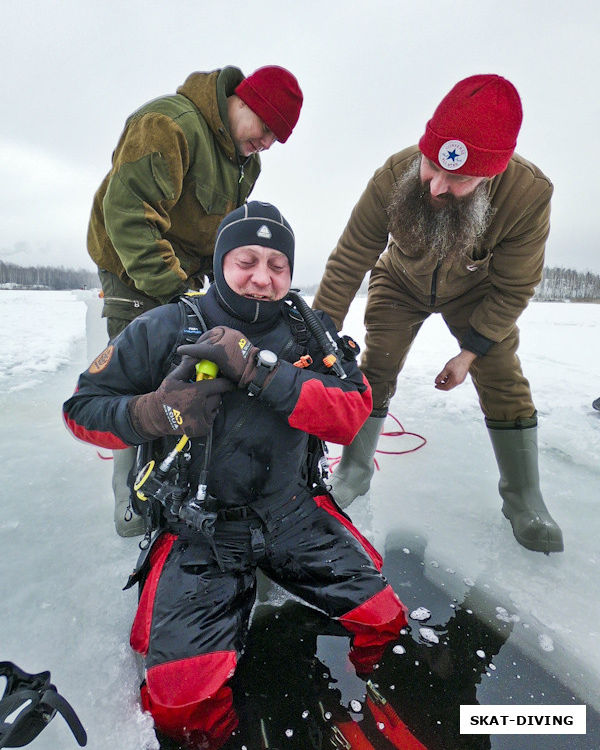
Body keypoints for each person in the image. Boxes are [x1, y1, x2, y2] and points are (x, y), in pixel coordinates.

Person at [63, 202, 408, 749]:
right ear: (222, 261)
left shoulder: (309, 331)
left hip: (294, 513)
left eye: (278, 265)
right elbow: (81, 410)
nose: (262, 277)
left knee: (386, 621)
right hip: (199, 530)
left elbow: (350, 414)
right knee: (179, 703)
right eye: (246, 259)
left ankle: (373, 710)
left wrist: (260, 371)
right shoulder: (165, 326)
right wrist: (156, 412)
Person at [313, 74, 563, 555]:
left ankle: (523, 498)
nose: (438, 186)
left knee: (502, 374)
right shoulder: (396, 173)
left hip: (476, 291)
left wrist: (471, 352)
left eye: (459, 180)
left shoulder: (528, 195)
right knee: (377, 366)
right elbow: (351, 256)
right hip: (400, 281)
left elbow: (515, 286)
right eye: (433, 168)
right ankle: (354, 469)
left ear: (490, 175)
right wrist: (318, 328)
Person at [87, 64, 303, 537]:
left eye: (276, 139)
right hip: (134, 271)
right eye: (265, 128)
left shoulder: (247, 163)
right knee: (136, 379)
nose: (267, 143)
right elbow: (129, 216)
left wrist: (220, 290)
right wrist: (177, 296)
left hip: (186, 276)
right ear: (242, 102)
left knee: (192, 372)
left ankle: (185, 474)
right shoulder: (169, 125)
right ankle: (130, 502)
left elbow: (220, 238)